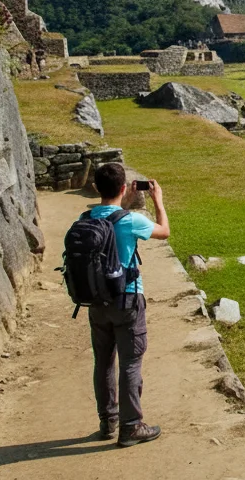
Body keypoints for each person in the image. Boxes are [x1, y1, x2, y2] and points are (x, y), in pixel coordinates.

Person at [86, 163, 170, 447]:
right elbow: (164, 231)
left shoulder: (85, 220)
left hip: (97, 301)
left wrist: (127, 201)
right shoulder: (131, 220)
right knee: (131, 363)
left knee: (104, 362)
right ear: (124, 188)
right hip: (128, 299)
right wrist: (157, 201)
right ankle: (131, 426)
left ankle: (107, 420)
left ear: (97, 188)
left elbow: (111, 215)